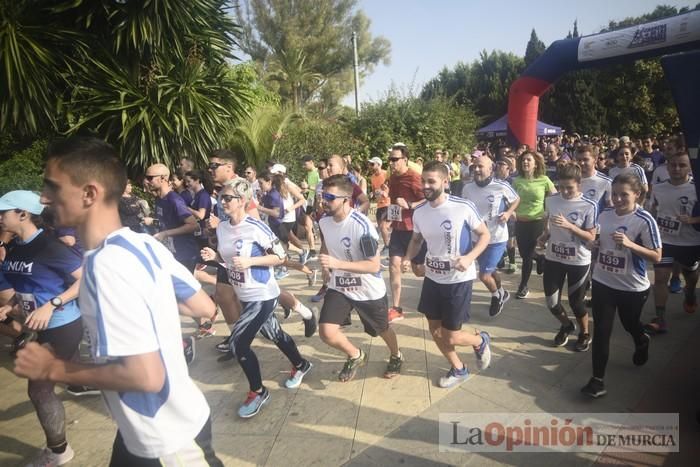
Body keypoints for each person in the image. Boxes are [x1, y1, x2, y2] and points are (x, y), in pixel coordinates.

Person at [15, 137, 223, 465]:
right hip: (153, 427)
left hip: (167, 443)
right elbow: (204, 308)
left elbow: (145, 376)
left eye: (52, 187)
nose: (43, 198)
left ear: (89, 193)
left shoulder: (105, 266)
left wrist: (53, 368)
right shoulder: (140, 244)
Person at [200, 180, 312, 417]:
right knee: (274, 334)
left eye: (228, 198)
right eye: (221, 197)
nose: (222, 202)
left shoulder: (256, 227)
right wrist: (215, 256)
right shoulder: (222, 228)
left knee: (238, 343)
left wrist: (251, 262)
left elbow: (280, 257)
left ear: (242, 201)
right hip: (244, 294)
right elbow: (228, 259)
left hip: (263, 294)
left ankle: (258, 392)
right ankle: (302, 364)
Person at [0, 191, 83, 467]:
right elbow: (25, 286)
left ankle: (59, 451)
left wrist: (52, 304)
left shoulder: (50, 246)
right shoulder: (14, 248)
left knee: (39, 389)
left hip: (63, 325)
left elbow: (85, 280)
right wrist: (9, 306)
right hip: (37, 327)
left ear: (23, 214)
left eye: (4, 212)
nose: (0, 217)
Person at [403, 161, 492, 388]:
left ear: (445, 182)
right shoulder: (420, 212)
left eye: (431, 181)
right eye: (423, 181)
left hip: (458, 281)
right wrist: (407, 258)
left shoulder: (462, 206)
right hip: (433, 278)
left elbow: (484, 235)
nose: (425, 186)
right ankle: (459, 368)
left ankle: (479, 340)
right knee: (435, 330)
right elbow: (416, 240)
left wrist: (470, 257)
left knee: (451, 335)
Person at [581, 173, 662, 398]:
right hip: (602, 282)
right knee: (602, 331)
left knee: (630, 324)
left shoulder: (644, 220)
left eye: (623, 195)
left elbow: (656, 256)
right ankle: (597, 381)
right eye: (614, 194)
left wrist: (629, 244)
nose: (617, 199)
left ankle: (641, 339)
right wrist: (594, 244)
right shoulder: (605, 214)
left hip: (632, 288)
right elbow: (598, 241)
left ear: (637, 194)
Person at [317, 174, 403, 381]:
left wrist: (337, 264)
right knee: (327, 332)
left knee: (381, 329)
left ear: (346, 200)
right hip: (340, 286)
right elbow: (327, 244)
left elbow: (373, 265)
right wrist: (327, 269)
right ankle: (356, 355)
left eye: (329, 197)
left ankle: (396, 355)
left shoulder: (362, 225)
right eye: (322, 196)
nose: (323, 201)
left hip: (367, 289)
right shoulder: (324, 222)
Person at [536, 163, 598, 350]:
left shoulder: (589, 205)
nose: (564, 191)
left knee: (576, 302)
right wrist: (544, 236)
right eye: (561, 187)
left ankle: (584, 333)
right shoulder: (552, 200)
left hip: (578, 259)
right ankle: (566, 325)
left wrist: (569, 226)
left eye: (569, 188)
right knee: (551, 301)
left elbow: (591, 237)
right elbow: (549, 226)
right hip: (554, 256)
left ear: (579, 184)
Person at [644, 152, 700, 334]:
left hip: (690, 242)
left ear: (690, 167)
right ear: (667, 167)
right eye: (673, 165)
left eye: (681, 165)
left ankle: (690, 293)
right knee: (660, 278)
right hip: (664, 240)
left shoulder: (696, 188)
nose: (676, 169)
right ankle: (660, 319)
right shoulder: (659, 188)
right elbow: (652, 211)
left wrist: (692, 220)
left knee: (690, 276)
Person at [462, 156, 520, 317]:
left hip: (497, 237)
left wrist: (508, 213)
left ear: (490, 169)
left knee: (484, 275)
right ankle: (501, 292)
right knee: (490, 269)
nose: (477, 170)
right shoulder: (467, 188)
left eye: (481, 166)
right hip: (477, 238)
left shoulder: (501, 186)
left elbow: (516, 199)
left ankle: (496, 296)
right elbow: (464, 209)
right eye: (475, 167)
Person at [386, 143, 427, 322]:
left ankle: (438, 275)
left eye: (395, 159)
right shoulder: (392, 178)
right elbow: (395, 202)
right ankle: (396, 308)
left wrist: (410, 205)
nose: (392, 163)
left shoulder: (414, 178)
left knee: (418, 271)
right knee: (394, 266)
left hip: (414, 231)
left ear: (405, 160)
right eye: (390, 160)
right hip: (398, 229)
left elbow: (427, 199)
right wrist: (390, 218)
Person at [511, 151, 557, 298]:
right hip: (520, 222)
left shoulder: (544, 180)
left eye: (528, 160)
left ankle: (523, 286)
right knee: (526, 254)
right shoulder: (516, 181)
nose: (525, 162)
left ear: (535, 163)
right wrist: (510, 211)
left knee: (525, 257)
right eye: (523, 160)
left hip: (536, 222)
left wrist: (548, 217)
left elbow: (555, 198)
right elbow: (510, 200)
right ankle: (539, 258)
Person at [368, 156, 391, 254]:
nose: (371, 166)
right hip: (379, 205)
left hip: (388, 203)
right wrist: (372, 194)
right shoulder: (372, 177)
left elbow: (392, 186)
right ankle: (389, 245)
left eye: (373, 164)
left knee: (382, 226)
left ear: (379, 164)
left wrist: (385, 192)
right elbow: (374, 190)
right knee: (384, 227)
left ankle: (388, 246)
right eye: (370, 164)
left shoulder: (386, 174)